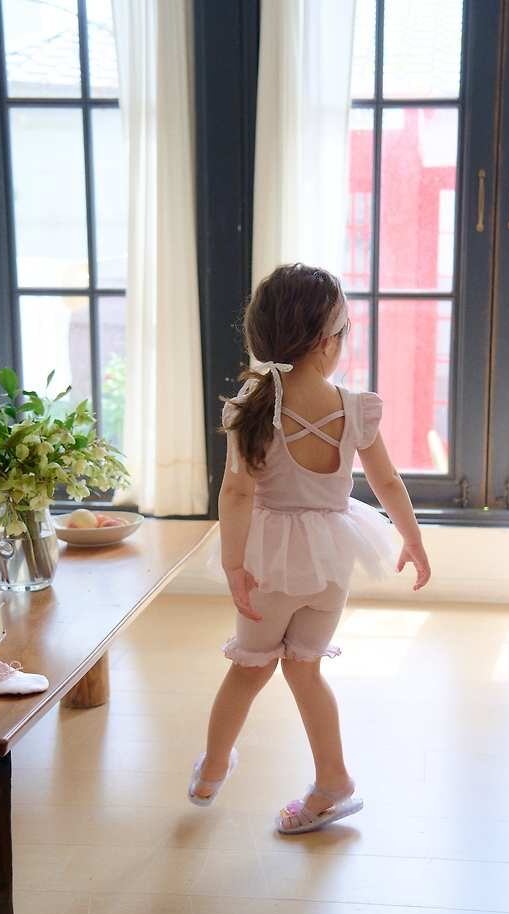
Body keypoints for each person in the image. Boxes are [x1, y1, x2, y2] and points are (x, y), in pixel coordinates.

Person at [188, 263, 431, 834]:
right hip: (331, 562)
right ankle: (333, 783)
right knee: (305, 670)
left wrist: (233, 564)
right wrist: (412, 538)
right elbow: (388, 482)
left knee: (249, 670)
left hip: (269, 567)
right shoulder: (355, 406)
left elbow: (237, 492)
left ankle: (214, 768)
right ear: (328, 342)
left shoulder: (251, 406)